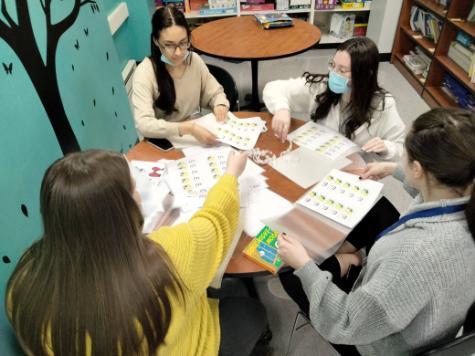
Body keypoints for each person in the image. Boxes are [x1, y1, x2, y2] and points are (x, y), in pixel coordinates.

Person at [6, 149, 269, 356]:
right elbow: (215, 222)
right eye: (133, 190)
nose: (140, 197)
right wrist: (231, 175)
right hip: (186, 345)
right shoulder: (168, 255)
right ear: (117, 213)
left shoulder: (24, 280)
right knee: (251, 312)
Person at [277, 108, 475, 355]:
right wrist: (393, 169)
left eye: (405, 154)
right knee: (377, 207)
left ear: (418, 170)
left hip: (377, 343)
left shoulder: (412, 256)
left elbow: (346, 322)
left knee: (289, 272)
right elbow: (431, 195)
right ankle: (349, 261)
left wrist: (304, 265)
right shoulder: (466, 192)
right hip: (429, 313)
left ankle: (344, 263)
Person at [263, 37, 406, 162]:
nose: (333, 74)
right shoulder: (321, 87)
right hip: (319, 160)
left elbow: (401, 148)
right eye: (333, 65)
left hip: (353, 169)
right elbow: (273, 88)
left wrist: (386, 148)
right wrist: (281, 108)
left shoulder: (383, 105)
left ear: (365, 74)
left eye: (342, 70)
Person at [132, 6, 229, 145]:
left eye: (183, 43)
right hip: (163, 142)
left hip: (193, 137)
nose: (178, 53)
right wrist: (188, 128)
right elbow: (144, 124)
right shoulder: (145, 72)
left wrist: (220, 105)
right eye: (169, 45)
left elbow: (215, 92)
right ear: (155, 41)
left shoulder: (193, 60)